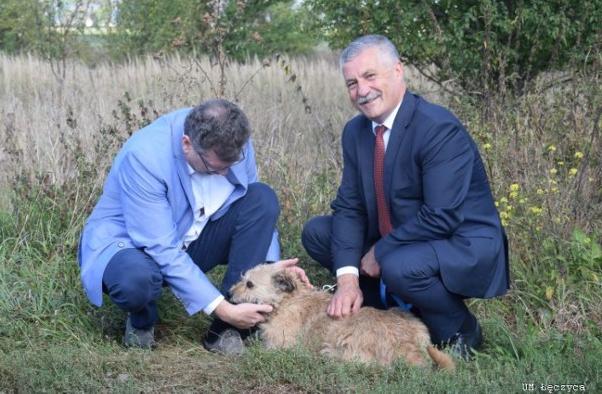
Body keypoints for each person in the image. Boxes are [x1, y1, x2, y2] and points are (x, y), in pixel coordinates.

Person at [302, 35, 509, 359]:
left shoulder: (437, 129)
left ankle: (459, 327)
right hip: (403, 236)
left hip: (459, 239)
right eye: (352, 83)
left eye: (370, 76)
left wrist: (380, 252)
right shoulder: (355, 132)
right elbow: (350, 207)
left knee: (397, 263)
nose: (362, 90)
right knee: (318, 233)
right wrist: (346, 281)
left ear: (398, 71)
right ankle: (380, 304)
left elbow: (442, 216)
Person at [78, 98, 308, 354]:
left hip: (192, 236)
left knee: (262, 197)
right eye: (214, 167)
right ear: (187, 144)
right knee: (136, 281)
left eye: (230, 166)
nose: (224, 174)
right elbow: (161, 248)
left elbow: (255, 209)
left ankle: (224, 330)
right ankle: (142, 320)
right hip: (132, 247)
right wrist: (221, 306)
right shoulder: (144, 157)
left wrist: (270, 270)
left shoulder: (234, 142)